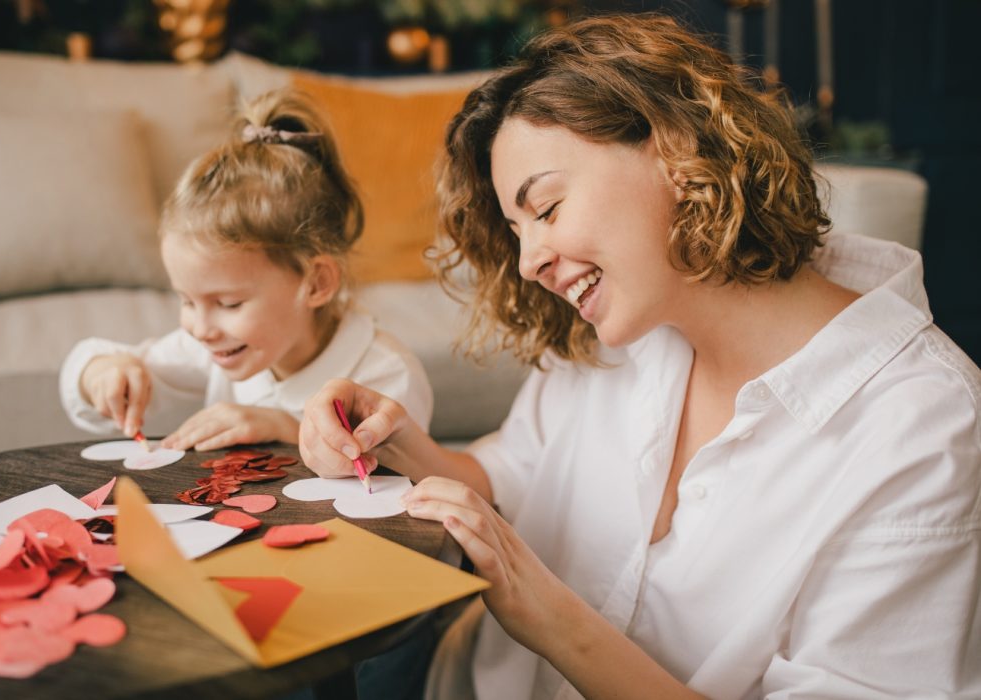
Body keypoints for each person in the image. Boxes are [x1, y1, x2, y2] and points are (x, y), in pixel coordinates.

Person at [298, 13, 981, 699]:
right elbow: (512, 471)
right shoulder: (623, 325)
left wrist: (546, 611)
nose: (529, 261)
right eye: (514, 230)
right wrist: (388, 440)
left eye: (547, 208)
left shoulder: (922, 432)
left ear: (676, 148)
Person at [60, 88, 432, 450]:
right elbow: (85, 374)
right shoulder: (218, 346)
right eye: (187, 301)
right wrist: (101, 374)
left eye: (229, 304)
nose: (200, 329)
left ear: (316, 282)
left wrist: (283, 428)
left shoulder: (386, 376)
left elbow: (392, 485)